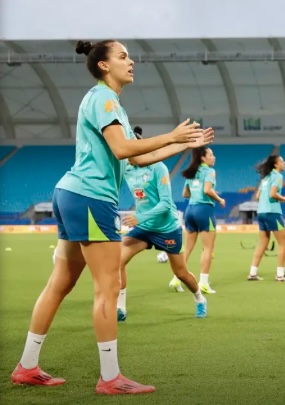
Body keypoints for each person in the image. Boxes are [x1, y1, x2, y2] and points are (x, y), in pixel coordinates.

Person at [11, 39, 208, 394]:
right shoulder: (104, 98)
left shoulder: (106, 100)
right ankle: (110, 378)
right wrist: (172, 134)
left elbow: (133, 159)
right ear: (104, 66)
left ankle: (27, 366)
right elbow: (122, 148)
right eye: (122, 56)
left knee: (61, 283)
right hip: (90, 198)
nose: (131, 61)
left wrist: (182, 145)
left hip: (70, 193)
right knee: (109, 286)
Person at [117, 126, 209, 322]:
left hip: (167, 228)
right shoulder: (125, 168)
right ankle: (120, 308)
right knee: (117, 262)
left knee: (181, 273)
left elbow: (167, 204)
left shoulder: (158, 168)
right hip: (144, 229)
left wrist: (140, 217)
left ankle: (199, 299)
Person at [173, 147, 224, 294]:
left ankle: (176, 279)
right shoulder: (209, 171)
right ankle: (203, 282)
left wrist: (197, 194)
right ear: (203, 158)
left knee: (187, 248)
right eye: (211, 154)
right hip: (204, 210)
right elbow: (207, 190)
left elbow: (185, 193)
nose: (213, 157)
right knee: (208, 248)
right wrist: (219, 199)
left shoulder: (191, 172)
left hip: (190, 210)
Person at [248, 155, 285, 282]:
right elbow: (273, 194)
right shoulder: (278, 176)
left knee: (263, 243)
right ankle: (280, 275)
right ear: (275, 165)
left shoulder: (265, 178)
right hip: (272, 213)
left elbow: (258, 196)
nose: (284, 163)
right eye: (282, 161)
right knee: (283, 243)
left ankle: (252, 273)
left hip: (261, 212)